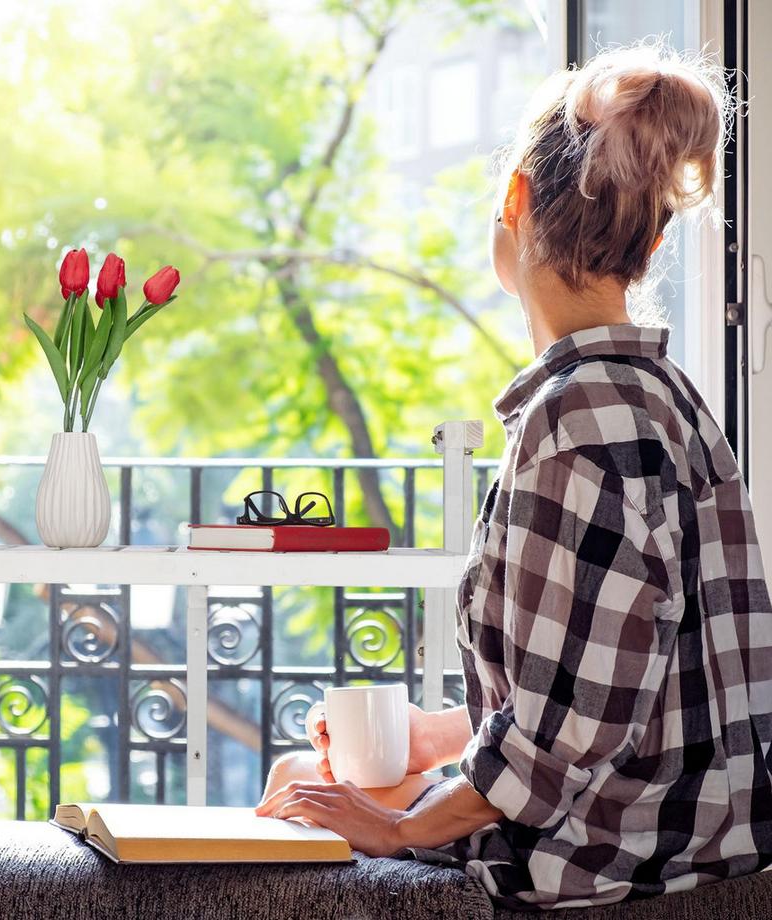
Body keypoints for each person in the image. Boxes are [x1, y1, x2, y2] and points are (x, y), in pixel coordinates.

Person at [256, 41, 772, 910]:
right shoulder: (666, 399)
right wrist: (432, 737)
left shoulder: (576, 424)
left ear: (515, 200)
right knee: (314, 776)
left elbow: (564, 742)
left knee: (295, 786)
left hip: (613, 856)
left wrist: (402, 827)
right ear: (649, 244)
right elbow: (604, 679)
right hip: (698, 830)